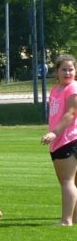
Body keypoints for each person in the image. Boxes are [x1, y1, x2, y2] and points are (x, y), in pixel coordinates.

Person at [41, 54, 77, 226]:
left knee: (67, 181)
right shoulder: (56, 90)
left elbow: (70, 113)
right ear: (57, 71)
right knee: (70, 181)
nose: (68, 72)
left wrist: (54, 133)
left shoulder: (72, 88)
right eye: (64, 69)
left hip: (68, 139)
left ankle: (66, 220)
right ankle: (75, 217)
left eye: (71, 69)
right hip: (59, 140)